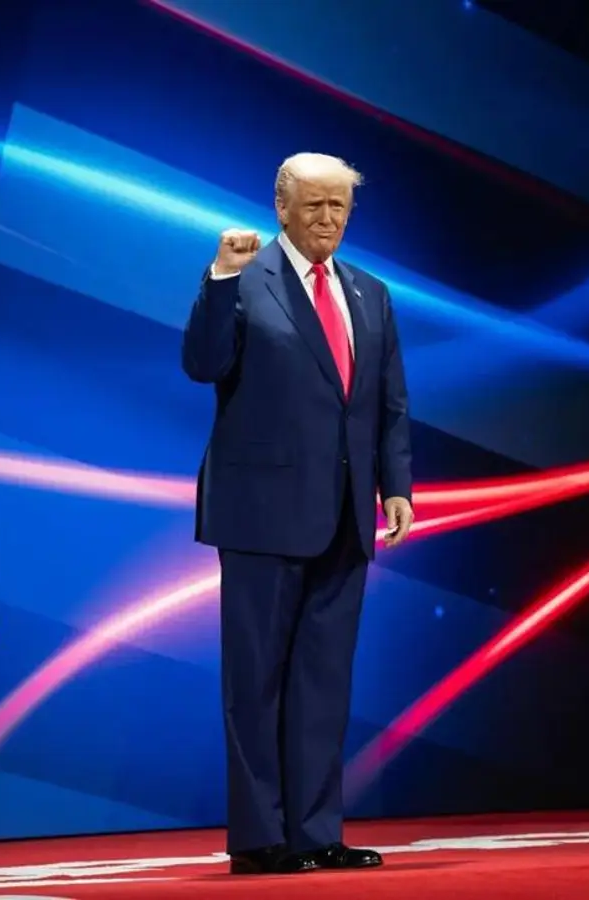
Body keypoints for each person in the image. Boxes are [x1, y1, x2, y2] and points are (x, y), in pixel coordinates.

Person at [181, 152, 414, 876]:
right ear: (281, 206)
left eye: (339, 206)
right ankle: (260, 840)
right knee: (255, 682)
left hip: (345, 517)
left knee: (323, 684)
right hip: (261, 516)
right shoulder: (243, 278)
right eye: (314, 205)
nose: (327, 219)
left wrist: (396, 486)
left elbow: (388, 402)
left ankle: (316, 833)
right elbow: (203, 363)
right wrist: (220, 279)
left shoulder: (370, 292)